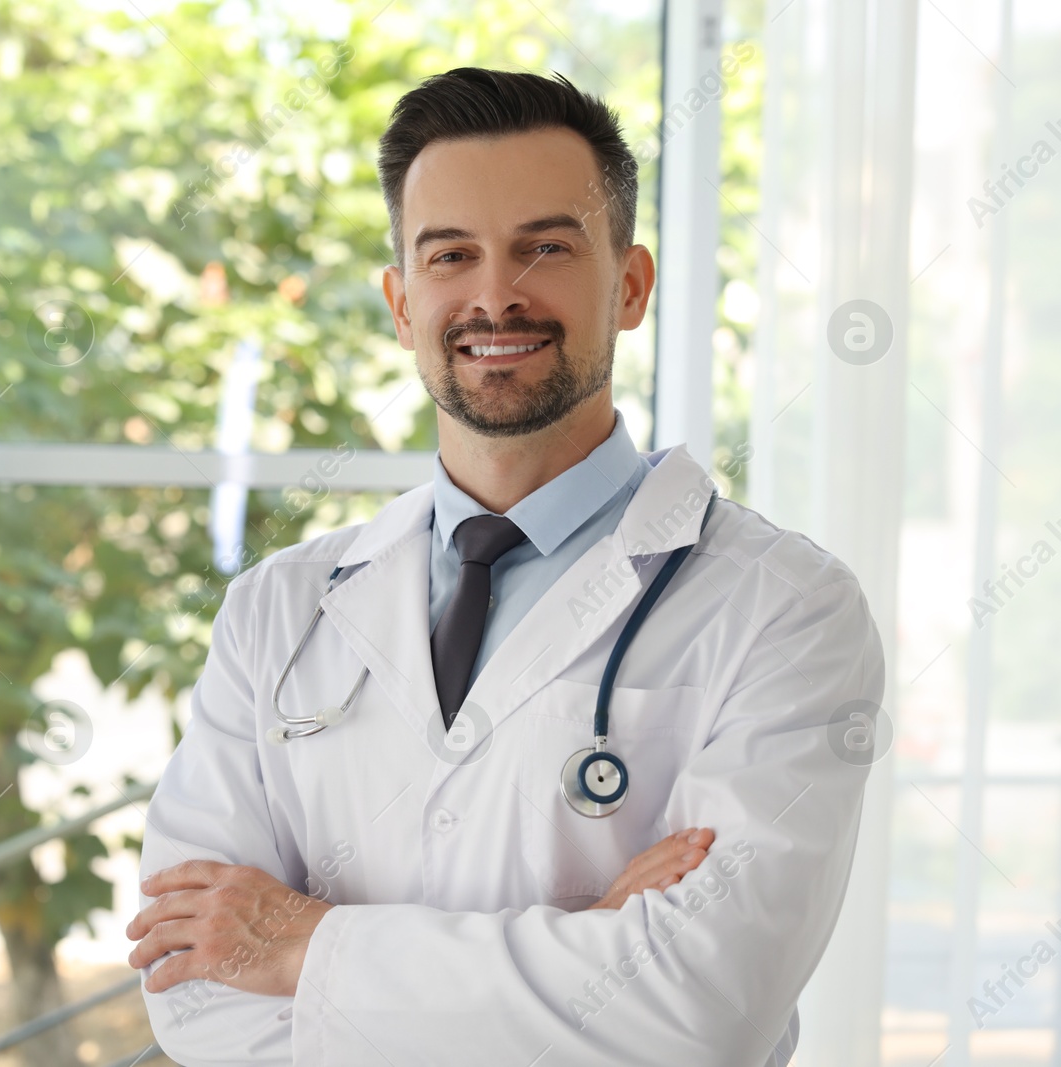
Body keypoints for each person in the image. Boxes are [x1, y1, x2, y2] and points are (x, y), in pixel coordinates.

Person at [126, 67, 885, 1065]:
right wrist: (588, 954)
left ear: (629, 284)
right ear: (401, 302)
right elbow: (191, 986)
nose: (495, 295)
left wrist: (302, 941)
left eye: (545, 248)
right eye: (451, 256)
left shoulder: (786, 609)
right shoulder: (278, 610)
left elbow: (698, 1005)